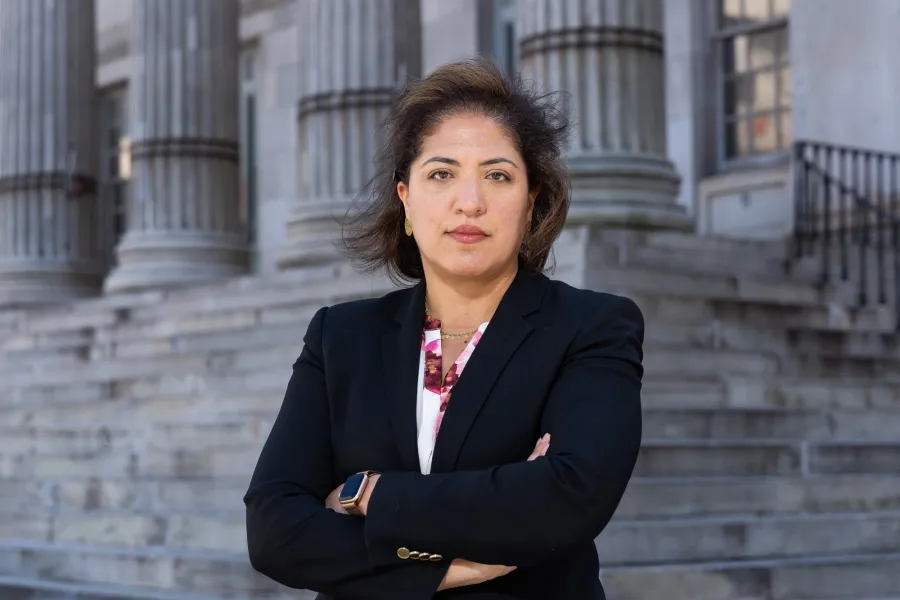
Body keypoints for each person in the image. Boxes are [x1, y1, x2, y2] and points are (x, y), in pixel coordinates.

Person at [243, 58, 644, 600]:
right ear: (406, 199)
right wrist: (443, 570)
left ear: (531, 202)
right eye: (442, 173)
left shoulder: (592, 327)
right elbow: (274, 530)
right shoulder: (341, 337)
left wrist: (367, 494)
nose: (470, 201)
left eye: (498, 175)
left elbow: (565, 498)